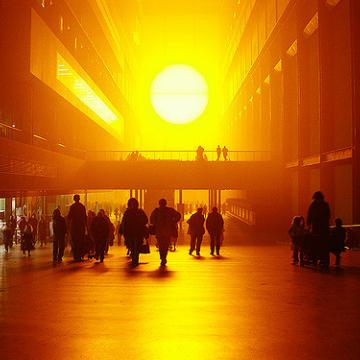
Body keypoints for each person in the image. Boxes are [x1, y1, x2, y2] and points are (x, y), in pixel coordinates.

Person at [150, 198, 181, 266]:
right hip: (168, 231)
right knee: (166, 245)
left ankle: (162, 257)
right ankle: (164, 257)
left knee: (161, 245)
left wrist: (156, 223)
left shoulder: (156, 211)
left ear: (159, 203)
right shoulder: (170, 210)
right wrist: (173, 221)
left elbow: (151, 220)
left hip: (159, 231)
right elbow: (179, 215)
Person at [121, 198, 148, 266]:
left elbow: (124, 223)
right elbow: (145, 220)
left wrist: (124, 232)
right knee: (137, 246)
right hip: (138, 232)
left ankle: (134, 258)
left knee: (132, 246)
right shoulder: (140, 212)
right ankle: (135, 258)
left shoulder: (127, 212)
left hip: (130, 233)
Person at [307, 191, 331, 268]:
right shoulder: (325, 205)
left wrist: (309, 224)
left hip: (316, 228)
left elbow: (309, 215)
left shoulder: (313, 205)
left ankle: (315, 259)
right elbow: (328, 216)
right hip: (323, 228)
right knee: (324, 245)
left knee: (315, 244)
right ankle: (324, 260)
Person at [68, 194, 87, 261]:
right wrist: (86, 227)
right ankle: (80, 255)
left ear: (74, 199)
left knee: (74, 241)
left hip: (74, 226)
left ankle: (76, 255)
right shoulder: (82, 207)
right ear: (79, 199)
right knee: (81, 240)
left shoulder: (72, 207)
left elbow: (69, 217)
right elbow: (85, 217)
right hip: (81, 226)